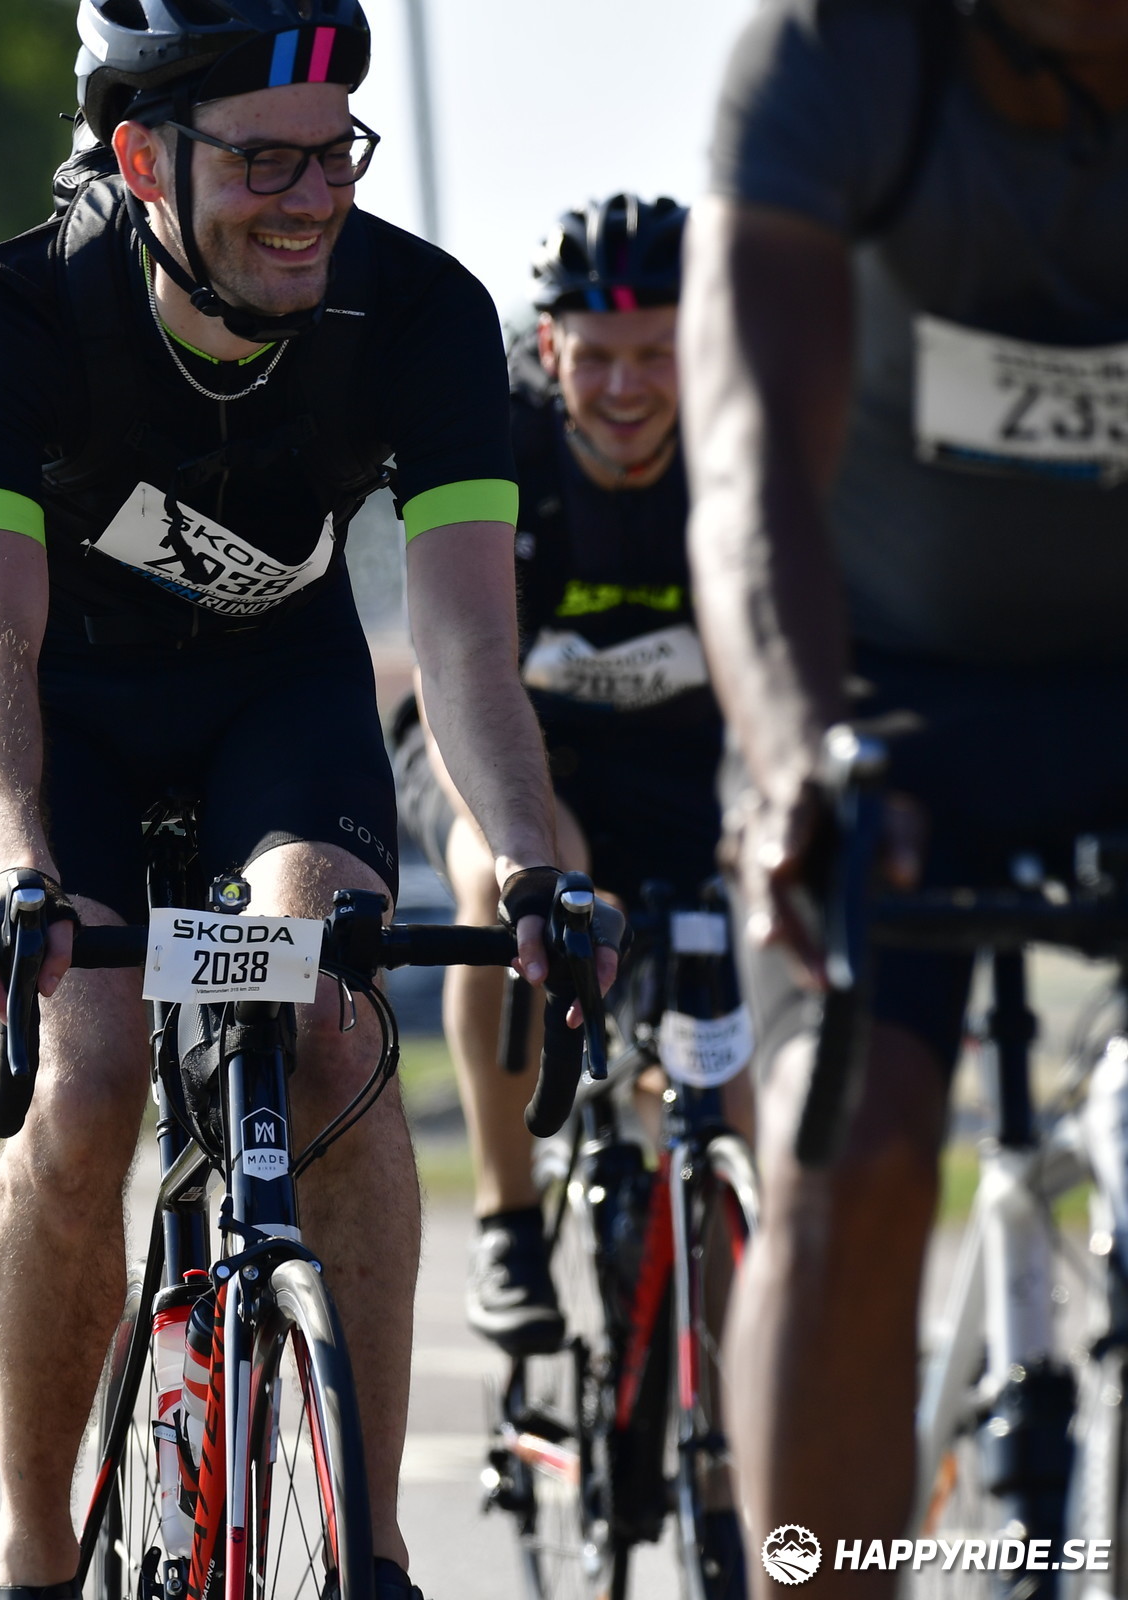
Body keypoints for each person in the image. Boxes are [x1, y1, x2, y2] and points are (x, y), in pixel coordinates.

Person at [0, 4, 610, 1595]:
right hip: (68, 715)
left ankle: (367, 1544)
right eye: (264, 162)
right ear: (141, 156)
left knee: (335, 1022)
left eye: (334, 154)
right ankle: (36, 1539)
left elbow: (465, 639)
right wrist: (15, 869)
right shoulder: (9, 314)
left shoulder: (423, 312)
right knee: (90, 1077)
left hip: (275, 706)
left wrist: (528, 862)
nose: (311, 199)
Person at [682, 0, 1128, 1574]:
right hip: (875, 685)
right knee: (850, 1137)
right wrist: (798, 761)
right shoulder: (841, 54)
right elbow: (743, 467)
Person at [390, 195, 754, 1354]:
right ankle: (505, 1221)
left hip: (685, 763)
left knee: (736, 1064)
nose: (625, 387)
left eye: (656, 353)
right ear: (548, 348)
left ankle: (728, 1354)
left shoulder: (750, 432)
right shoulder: (499, 432)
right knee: (522, 888)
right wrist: (528, 850)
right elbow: (460, 658)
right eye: (594, 357)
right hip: (503, 743)